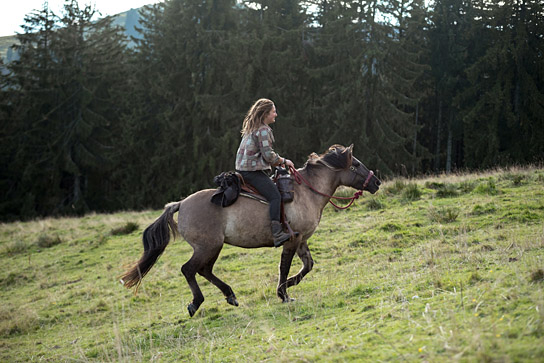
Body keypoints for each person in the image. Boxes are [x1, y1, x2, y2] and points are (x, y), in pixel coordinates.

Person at [235, 98, 297, 247]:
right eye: (273, 112)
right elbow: (268, 155)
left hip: (243, 170)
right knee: (275, 196)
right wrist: (284, 161)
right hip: (252, 172)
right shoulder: (263, 130)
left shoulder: (251, 128)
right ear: (265, 114)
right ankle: (276, 233)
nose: (276, 114)